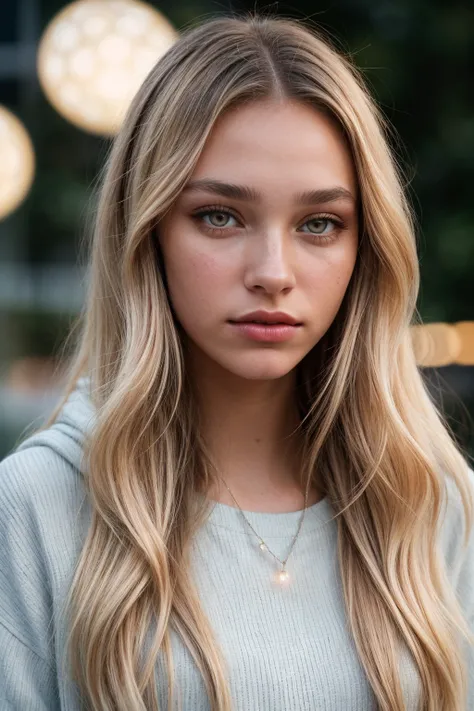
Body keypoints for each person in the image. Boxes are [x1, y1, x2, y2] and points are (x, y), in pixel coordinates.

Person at [0, 12, 473, 711]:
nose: (274, 272)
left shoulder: (430, 499)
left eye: (320, 224)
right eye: (220, 215)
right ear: (146, 228)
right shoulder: (34, 506)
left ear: (365, 248)